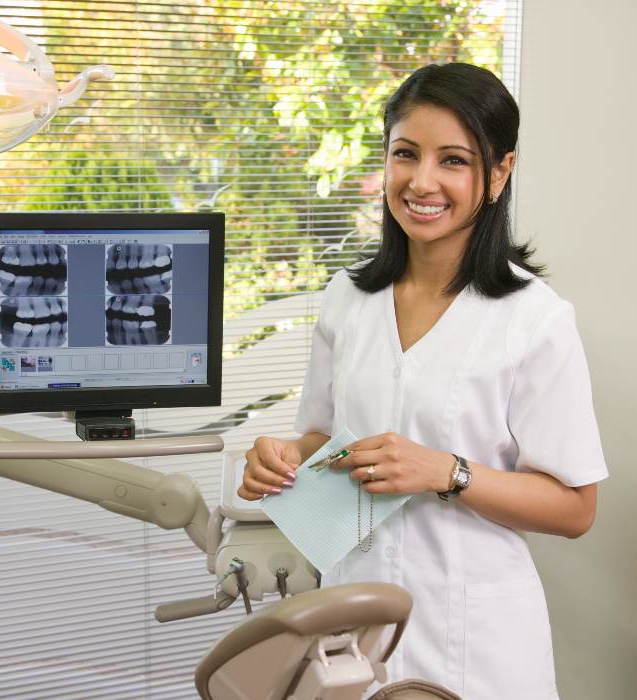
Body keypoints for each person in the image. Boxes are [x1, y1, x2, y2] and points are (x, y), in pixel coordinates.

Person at [237, 63, 607, 700]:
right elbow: (325, 438)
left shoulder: (535, 320)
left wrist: (447, 472)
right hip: (352, 627)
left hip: (476, 642)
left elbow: (576, 508)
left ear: (499, 174)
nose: (422, 181)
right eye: (405, 154)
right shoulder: (348, 298)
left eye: (454, 160)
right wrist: (281, 458)